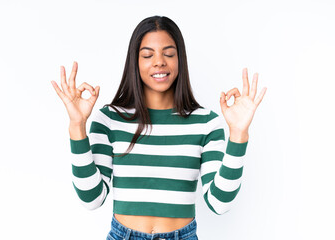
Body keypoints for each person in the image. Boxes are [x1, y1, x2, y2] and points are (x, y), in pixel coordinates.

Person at [51, 15, 266, 240]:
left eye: (169, 54)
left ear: (180, 59)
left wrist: (239, 133)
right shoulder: (109, 120)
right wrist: (77, 126)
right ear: (135, 61)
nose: (159, 62)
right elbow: (91, 199)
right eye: (147, 55)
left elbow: (219, 203)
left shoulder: (206, 123)